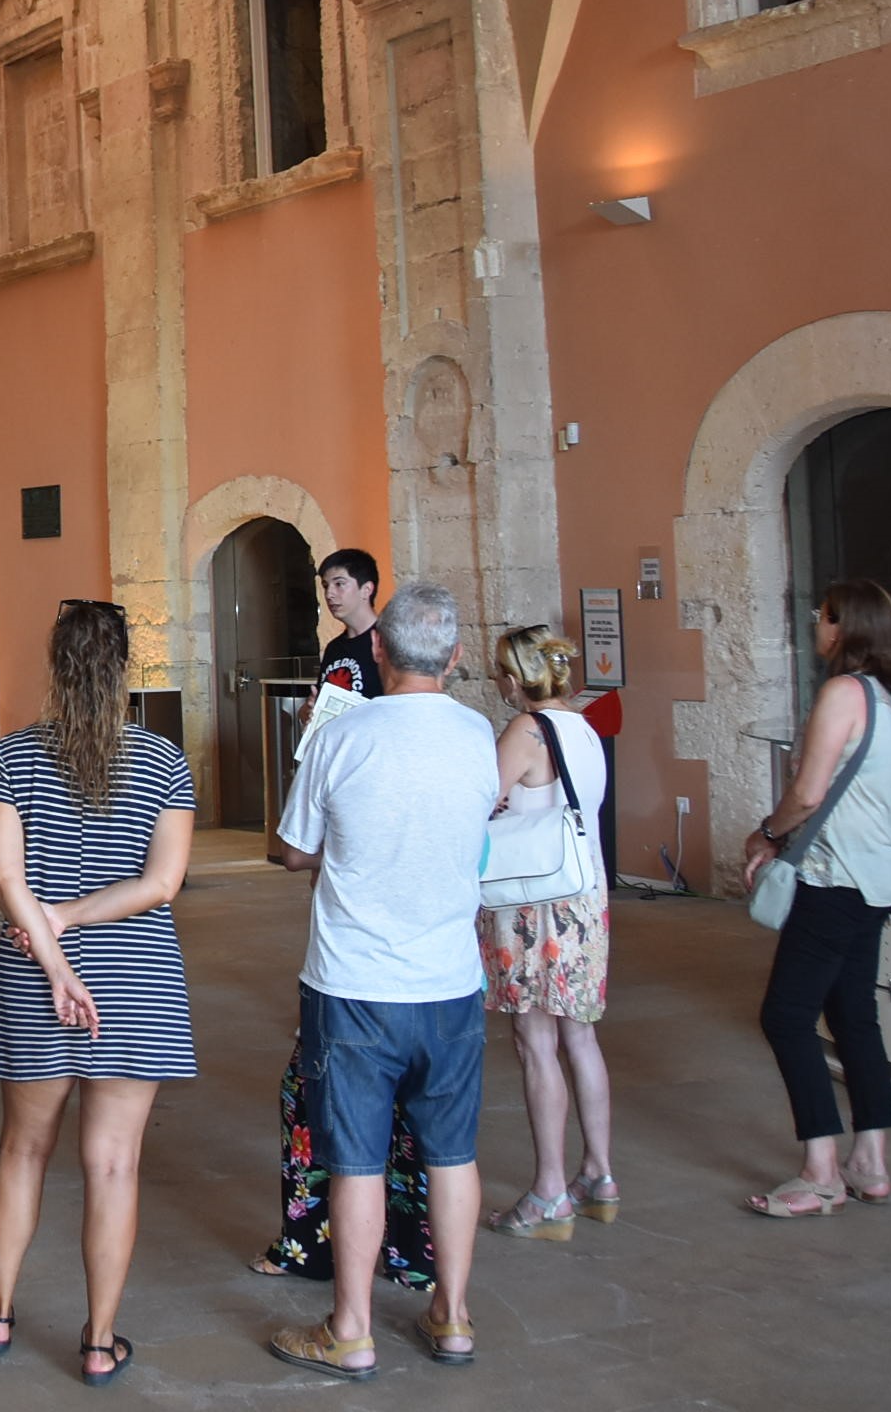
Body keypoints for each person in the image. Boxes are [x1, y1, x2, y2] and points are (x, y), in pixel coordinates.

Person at [267, 581, 501, 1380]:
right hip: (450, 982)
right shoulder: (480, 738)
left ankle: (352, 1327)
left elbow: (293, 848)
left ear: (376, 650)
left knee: (358, 1161)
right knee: (452, 1154)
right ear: (458, 656)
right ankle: (454, 1315)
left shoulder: (345, 736)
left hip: (354, 983)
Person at [0, 600, 196, 1385]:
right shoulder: (163, 761)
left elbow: (6, 881)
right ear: (124, 665)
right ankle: (99, 1342)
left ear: (55, 664)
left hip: (34, 976)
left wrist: (54, 941)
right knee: (112, 1167)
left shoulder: (16, 755)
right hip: (137, 980)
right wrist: (75, 927)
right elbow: (161, 885)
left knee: (23, 1150)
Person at [743, 578, 891, 1219]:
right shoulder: (890, 698)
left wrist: (764, 833)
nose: (816, 623)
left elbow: (810, 793)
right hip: (877, 878)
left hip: (835, 880)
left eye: (823, 615)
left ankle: (820, 1172)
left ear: (843, 628)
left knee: (786, 1016)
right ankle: (868, 1160)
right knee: (852, 1015)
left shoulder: (842, 693)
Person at [477, 625, 616, 1240]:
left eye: (500, 674)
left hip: (534, 904)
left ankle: (550, 1191)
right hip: (585, 897)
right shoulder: (584, 728)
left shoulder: (525, 730)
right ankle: (599, 1175)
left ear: (516, 678)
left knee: (535, 1043)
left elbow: (480, 801)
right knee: (580, 1039)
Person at [317, 549, 383, 699]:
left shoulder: (389, 642)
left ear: (366, 590)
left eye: (339, 584)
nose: (329, 594)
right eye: (326, 586)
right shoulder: (334, 648)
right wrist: (307, 712)